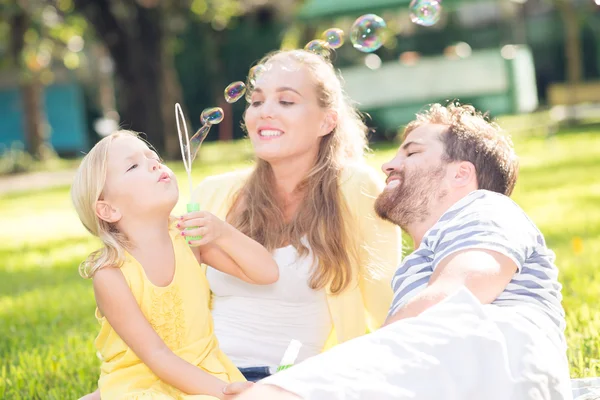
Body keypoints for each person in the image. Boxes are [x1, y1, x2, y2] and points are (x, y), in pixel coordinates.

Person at [227, 103, 572, 400]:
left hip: (498, 359)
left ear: (461, 174)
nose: (389, 165)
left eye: (412, 152)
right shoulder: (419, 265)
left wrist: (322, 375)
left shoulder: (485, 207)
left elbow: (456, 294)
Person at [188, 49, 402, 382]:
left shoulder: (355, 188)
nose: (264, 113)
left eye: (286, 102)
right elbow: (169, 298)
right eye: (257, 102)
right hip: (200, 376)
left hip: (287, 383)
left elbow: (387, 305)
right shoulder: (213, 193)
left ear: (326, 121)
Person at [71, 130, 278, 399]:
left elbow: (267, 273)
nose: (155, 163)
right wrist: (224, 391)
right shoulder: (111, 275)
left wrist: (224, 232)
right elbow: (156, 356)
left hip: (205, 369)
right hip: (144, 379)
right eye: (134, 165)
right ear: (108, 209)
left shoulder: (189, 240)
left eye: (153, 157)